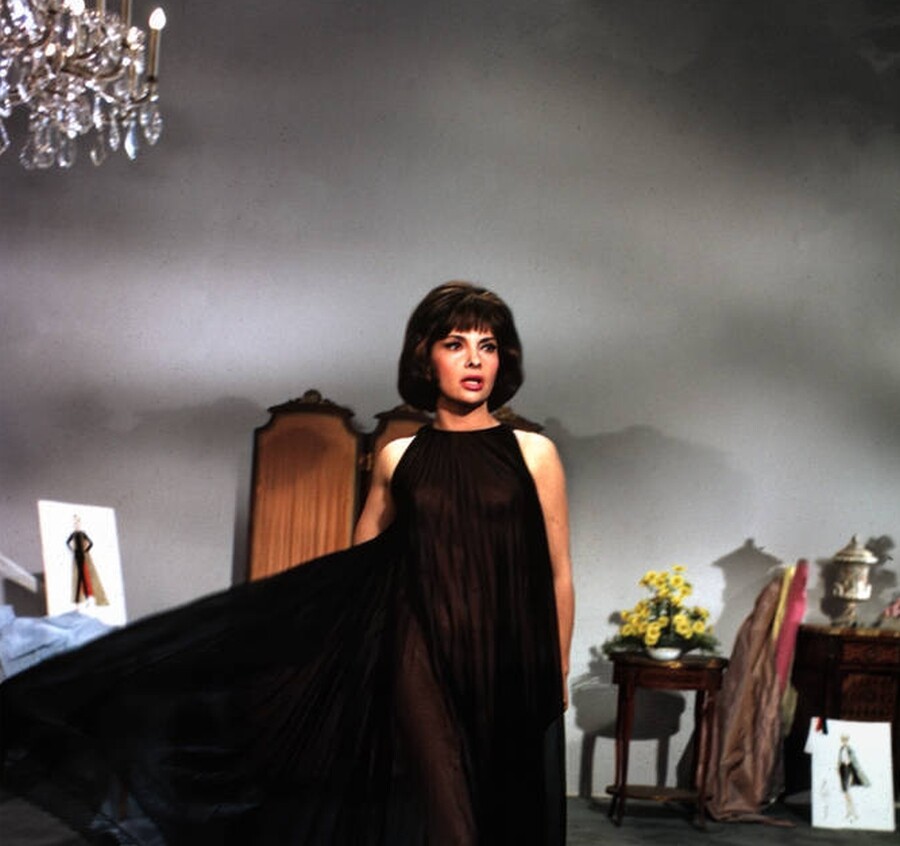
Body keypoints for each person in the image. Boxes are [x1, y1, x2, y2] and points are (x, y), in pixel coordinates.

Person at [0, 282, 573, 845]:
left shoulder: (534, 453)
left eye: (487, 345)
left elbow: (557, 571)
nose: (474, 360)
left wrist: (560, 666)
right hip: (417, 651)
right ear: (426, 357)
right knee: (448, 812)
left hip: (508, 652)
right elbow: (360, 562)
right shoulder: (398, 456)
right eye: (455, 343)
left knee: (503, 808)